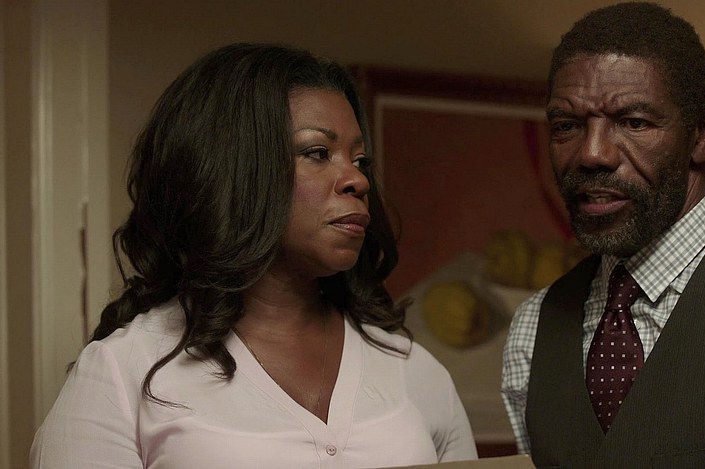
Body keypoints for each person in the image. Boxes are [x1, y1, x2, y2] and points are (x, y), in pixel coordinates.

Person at [31, 43, 477, 468]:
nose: (356, 180)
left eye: (360, 160)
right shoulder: (122, 372)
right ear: (233, 169)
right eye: (317, 153)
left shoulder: (413, 370)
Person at [501, 2, 705, 467]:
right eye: (567, 126)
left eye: (634, 122)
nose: (592, 153)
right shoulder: (534, 327)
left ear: (702, 133)